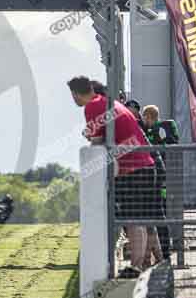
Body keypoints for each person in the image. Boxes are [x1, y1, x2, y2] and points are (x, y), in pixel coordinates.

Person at [68, 76, 162, 278]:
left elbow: (96, 143)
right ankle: (154, 264)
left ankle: (135, 267)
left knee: (133, 220)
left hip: (132, 169)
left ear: (76, 94)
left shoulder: (92, 106)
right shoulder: (111, 102)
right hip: (146, 165)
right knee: (145, 220)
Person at [142, 104, 179, 261]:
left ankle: (164, 252)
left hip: (160, 178)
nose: (144, 121)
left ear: (149, 117)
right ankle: (158, 253)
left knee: (160, 214)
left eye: (145, 118)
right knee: (157, 215)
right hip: (157, 178)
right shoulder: (151, 130)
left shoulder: (162, 129)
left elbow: (170, 146)